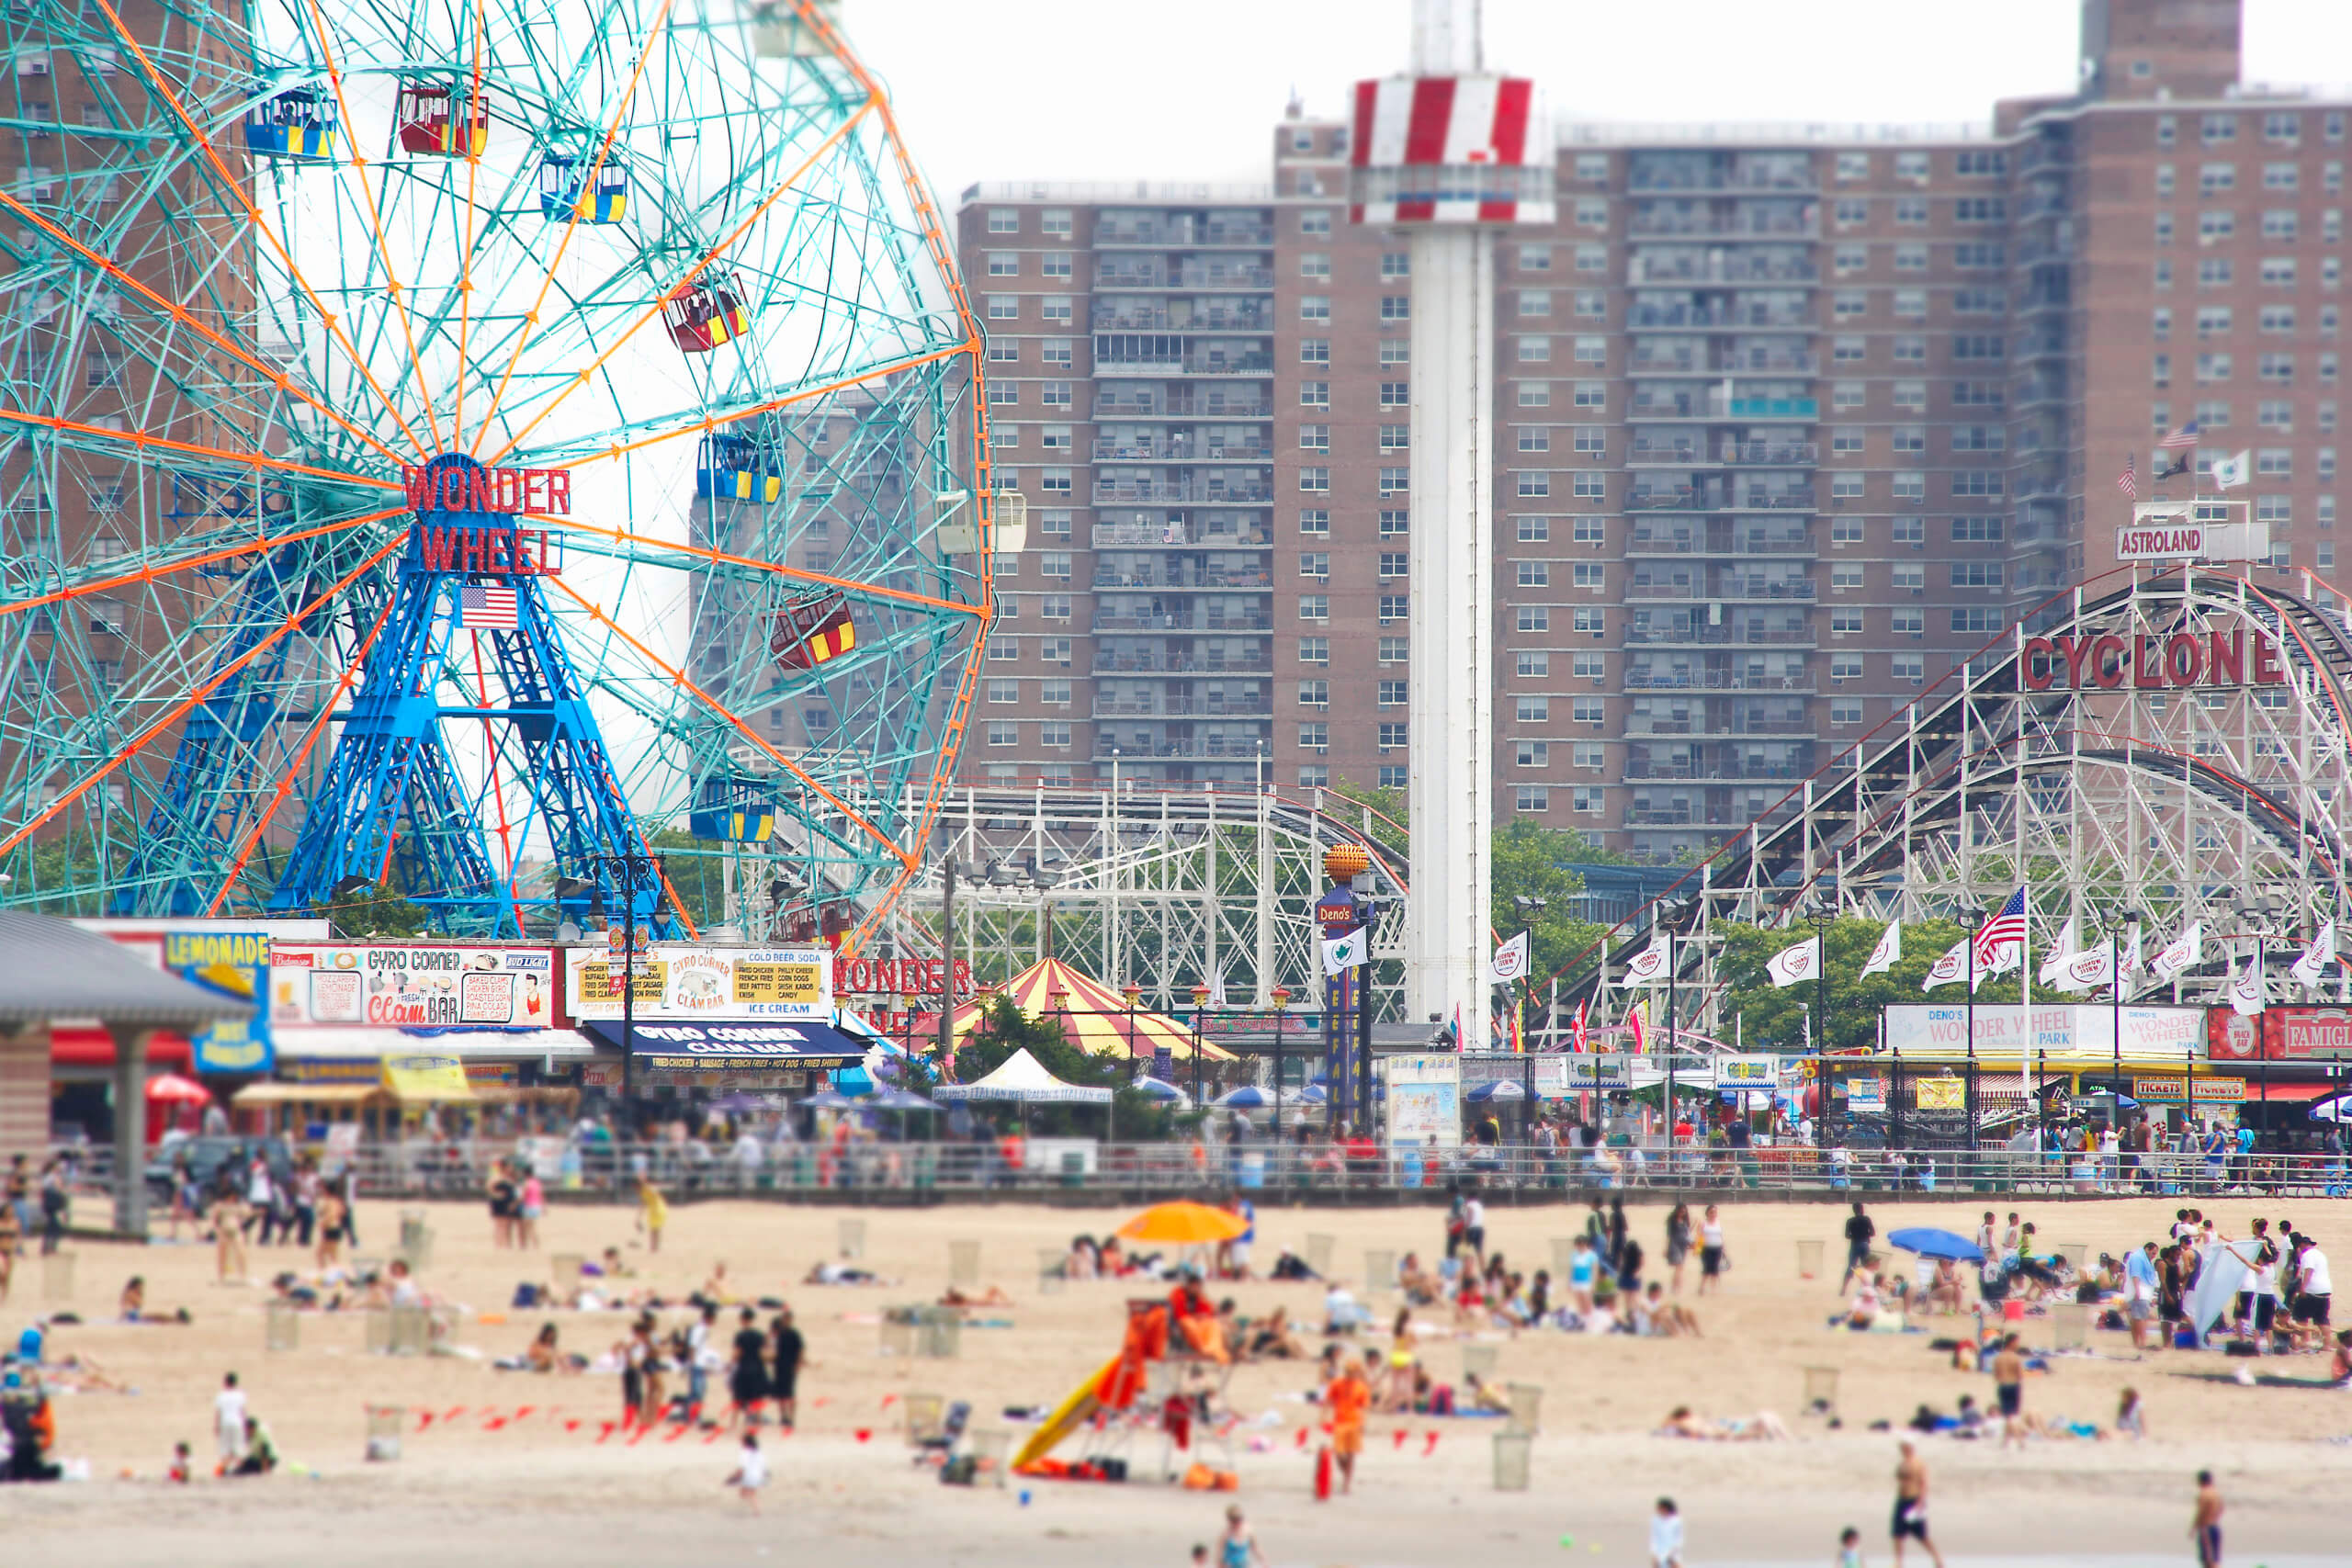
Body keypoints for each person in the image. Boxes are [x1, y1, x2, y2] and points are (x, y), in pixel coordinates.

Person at [1891, 1440, 1944, 1568]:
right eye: (1901, 1447)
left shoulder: (1918, 1463)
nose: (1902, 1450)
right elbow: (1899, 1478)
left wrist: (1920, 1502)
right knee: (1897, 1533)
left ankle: (1937, 1558)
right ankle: (1898, 1562)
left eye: (1905, 1447)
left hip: (1914, 1500)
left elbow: (1924, 1484)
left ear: (1911, 1447)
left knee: (1921, 1534)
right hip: (1901, 1500)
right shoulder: (1902, 1463)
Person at [1323, 1352, 1369, 1495]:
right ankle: (1345, 1472)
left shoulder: (1361, 1387)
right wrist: (1323, 1417)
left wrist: (1364, 1423)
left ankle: (1346, 1483)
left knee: (1351, 1454)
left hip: (1355, 1422)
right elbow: (1328, 1400)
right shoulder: (1337, 1383)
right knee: (1338, 1453)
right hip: (1340, 1422)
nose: (1350, 1374)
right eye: (1348, 1371)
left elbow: (1364, 1407)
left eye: (1353, 1371)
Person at [769, 1307, 806, 1428]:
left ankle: (791, 1418)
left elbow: (801, 1349)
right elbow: (773, 1348)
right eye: (784, 1319)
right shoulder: (779, 1333)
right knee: (780, 1393)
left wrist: (798, 1364)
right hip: (779, 1366)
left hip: (790, 1366)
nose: (786, 1321)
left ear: (791, 1320)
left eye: (788, 1319)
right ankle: (783, 1416)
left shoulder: (794, 1334)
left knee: (790, 1393)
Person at [2125, 1240, 2162, 1351]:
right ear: (2147, 1249)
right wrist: (2137, 1290)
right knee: (2140, 1318)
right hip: (2140, 1291)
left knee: (2137, 1318)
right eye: (2153, 1253)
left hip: (2143, 1292)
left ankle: (2138, 1343)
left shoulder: (2143, 1258)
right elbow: (2135, 1275)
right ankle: (2142, 1342)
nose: (2154, 1255)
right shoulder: (2138, 1258)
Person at [1990, 1334, 2025, 1450]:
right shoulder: (2015, 1358)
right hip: (2013, 1386)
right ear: (2011, 1343)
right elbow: (2020, 1375)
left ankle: (2006, 1441)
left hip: (2002, 1386)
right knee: (2012, 1416)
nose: (2018, 1345)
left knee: (2008, 1416)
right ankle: (2020, 1440)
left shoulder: (1998, 1358)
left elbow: (1996, 1375)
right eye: (2016, 1342)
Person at [213, 1371, 247, 1475]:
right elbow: (242, 1411)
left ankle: (224, 1469)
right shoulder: (240, 1395)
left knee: (225, 1448)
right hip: (237, 1423)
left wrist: (216, 1426)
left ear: (226, 1382)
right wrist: (245, 1424)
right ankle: (241, 1469)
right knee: (238, 1448)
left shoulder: (221, 1395)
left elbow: (218, 1412)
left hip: (225, 1423)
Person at [724, 1431, 767, 1513]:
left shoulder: (744, 1453)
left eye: (741, 1441)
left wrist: (732, 1478)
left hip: (748, 1476)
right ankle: (744, 1507)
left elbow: (741, 1469)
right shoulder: (758, 1453)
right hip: (758, 1475)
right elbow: (763, 1467)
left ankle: (757, 1510)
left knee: (750, 1494)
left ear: (745, 1443)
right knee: (745, 1492)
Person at [2191, 1469, 2223, 1568]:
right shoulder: (2216, 1493)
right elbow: (2221, 1508)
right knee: (2215, 1560)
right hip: (2215, 1527)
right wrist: (2214, 1518)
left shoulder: (2203, 1494)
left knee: (2208, 1561)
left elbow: (2201, 1512)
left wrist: (2194, 1527)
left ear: (2200, 1481)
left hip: (2206, 1529)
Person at [1841, 1202, 1876, 1292]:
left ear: (1854, 1210)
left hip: (1855, 1245)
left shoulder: (1850, 1221)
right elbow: (1873, 1233)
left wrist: (1854, 1236)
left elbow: (1847, 1236)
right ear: (1862, 1209)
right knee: (1867, 1268)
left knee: (1851, 1266)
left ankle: (1844, 1288)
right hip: (1865, 1244)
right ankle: (1867, 1287)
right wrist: (1866, 1235)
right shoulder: (1867, 1219)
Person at [1218, 1504, 1266, 1568]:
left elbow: (1256, 1549)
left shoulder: (1248, 1532)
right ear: (1229, 1520)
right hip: (1229, 1565)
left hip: (1244, 1565)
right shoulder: (1225, 1534)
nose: (1237, 1521)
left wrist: (1264, 1562)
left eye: (1239, 1518)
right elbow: (1219, 1554)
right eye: (1234, 1519)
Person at [1665, 1203, 1693, 1295]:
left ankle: (1674, 1288)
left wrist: (1691, 1243)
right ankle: (1677, 1289)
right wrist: (1666, 1248)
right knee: (1679, 1266)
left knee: (1680, 1268)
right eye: (1681, 1211)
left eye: (1684, 1211)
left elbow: (1687, 1234)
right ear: (1677, 1211)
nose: (1682, 1213)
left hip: (1683, 1246)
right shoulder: (1672, 1221)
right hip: (1674, 1245)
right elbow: (1668, 1235)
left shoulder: (1685, 1221)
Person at [1697, 1205, 1726, 1295]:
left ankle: (1713, 1289)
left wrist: (1723, 1248)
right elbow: (1699, 1237)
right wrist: (1698, 1249)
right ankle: (1701, 1288)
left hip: (1717, 1248)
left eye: (1715, 1212)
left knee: (1715, 1270)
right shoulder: (1703, 1224)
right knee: (1707, 1269)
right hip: (1706, 1249)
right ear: (1707, 1213)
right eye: (1711, 1212)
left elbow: (1720, 1236)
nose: (1713, 1214)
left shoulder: (1718, 1223)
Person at [1650, 1496, 1684, 1568]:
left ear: (1665, 1508)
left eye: (1660, 1508)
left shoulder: (1676, 1520)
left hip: (1673, 1553)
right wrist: (1654, 1554)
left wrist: (1672, 1553)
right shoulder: (1656, 1520)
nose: (1658, 1510)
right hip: (1659, 1553)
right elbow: (1654, 1538)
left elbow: (1679, 1539)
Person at [637, 1177, 667, 1253]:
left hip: (657, 1209)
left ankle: (654, 1247)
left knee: (654, 1229)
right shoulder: (644, 1192)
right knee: (654, 1229)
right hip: (655, 1210)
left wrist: (644, 1183)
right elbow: (643, 1204)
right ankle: (654, 1247)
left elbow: (654, 1192)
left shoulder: (647, 1189)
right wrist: (638, 1218)